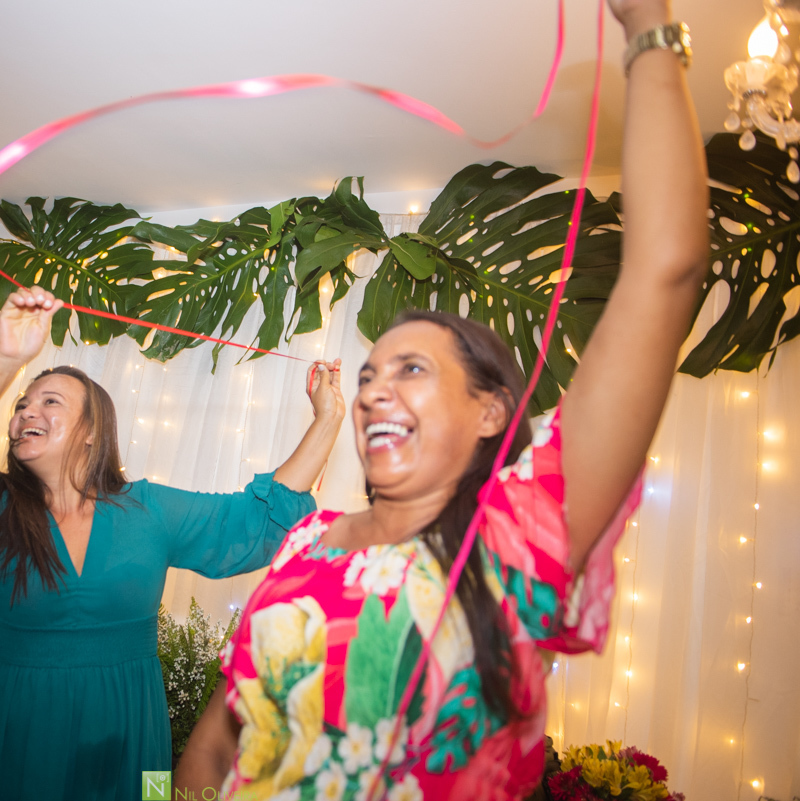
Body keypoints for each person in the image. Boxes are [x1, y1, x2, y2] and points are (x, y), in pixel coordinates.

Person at [176, 1, 709, 799]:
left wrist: (649, 31)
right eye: (368, 376)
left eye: (411, 369)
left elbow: (665, 269)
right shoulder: (306, 544)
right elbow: (210, 747)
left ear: (492, 411)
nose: (373, 389)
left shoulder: (513, 540)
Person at [0, 285, 345, 801]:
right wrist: (5, 358)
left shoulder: (148, 509)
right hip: (10, 726)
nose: (26, 413)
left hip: (132, 728)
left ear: (92, 431)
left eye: (50, 401)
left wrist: (328, 418)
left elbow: (259, 520)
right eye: (22, 405)